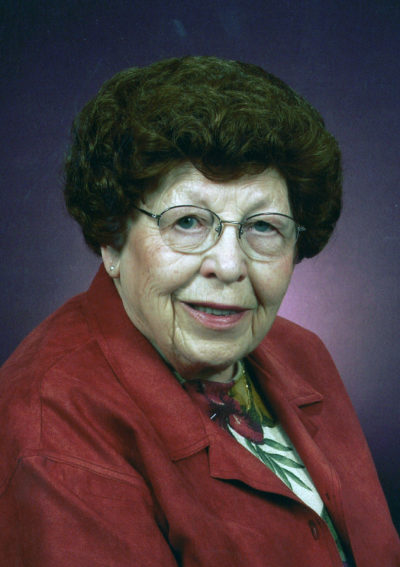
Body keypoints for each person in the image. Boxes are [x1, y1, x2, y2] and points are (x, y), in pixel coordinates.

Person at [0, 56, 398, 567]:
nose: (229, 266)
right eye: (187, 221)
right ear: (112, 238)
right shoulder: (52, 431)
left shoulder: (302, 353)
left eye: (263, 226)